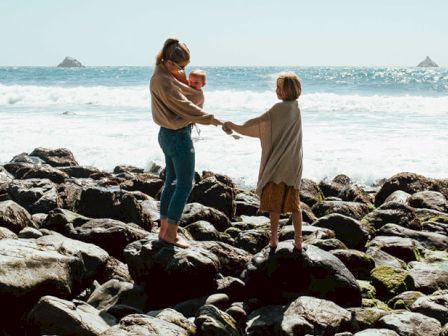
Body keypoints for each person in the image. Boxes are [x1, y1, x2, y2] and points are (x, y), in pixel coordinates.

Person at [150, 38, 223, 248]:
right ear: (171, 62)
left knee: (171, 181)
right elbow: (185, 106)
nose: (184, 70)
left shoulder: (161, 72)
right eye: (182, 66)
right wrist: (213, 119)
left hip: (165, 134)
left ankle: (163, 229)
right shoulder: (164, 81)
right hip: (178, 136)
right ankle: (171, 233)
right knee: (184, 184)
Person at [223, 72, 304, 250]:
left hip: (277, 164)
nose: (276, 91)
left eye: (279, 88)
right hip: (293, 163)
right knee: (295, 205)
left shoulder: (278, 108)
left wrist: (235, 126)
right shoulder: (296, 108)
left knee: (274, 204)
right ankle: (298, 241)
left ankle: (274, 239)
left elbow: (258, 123)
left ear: (286, 91)